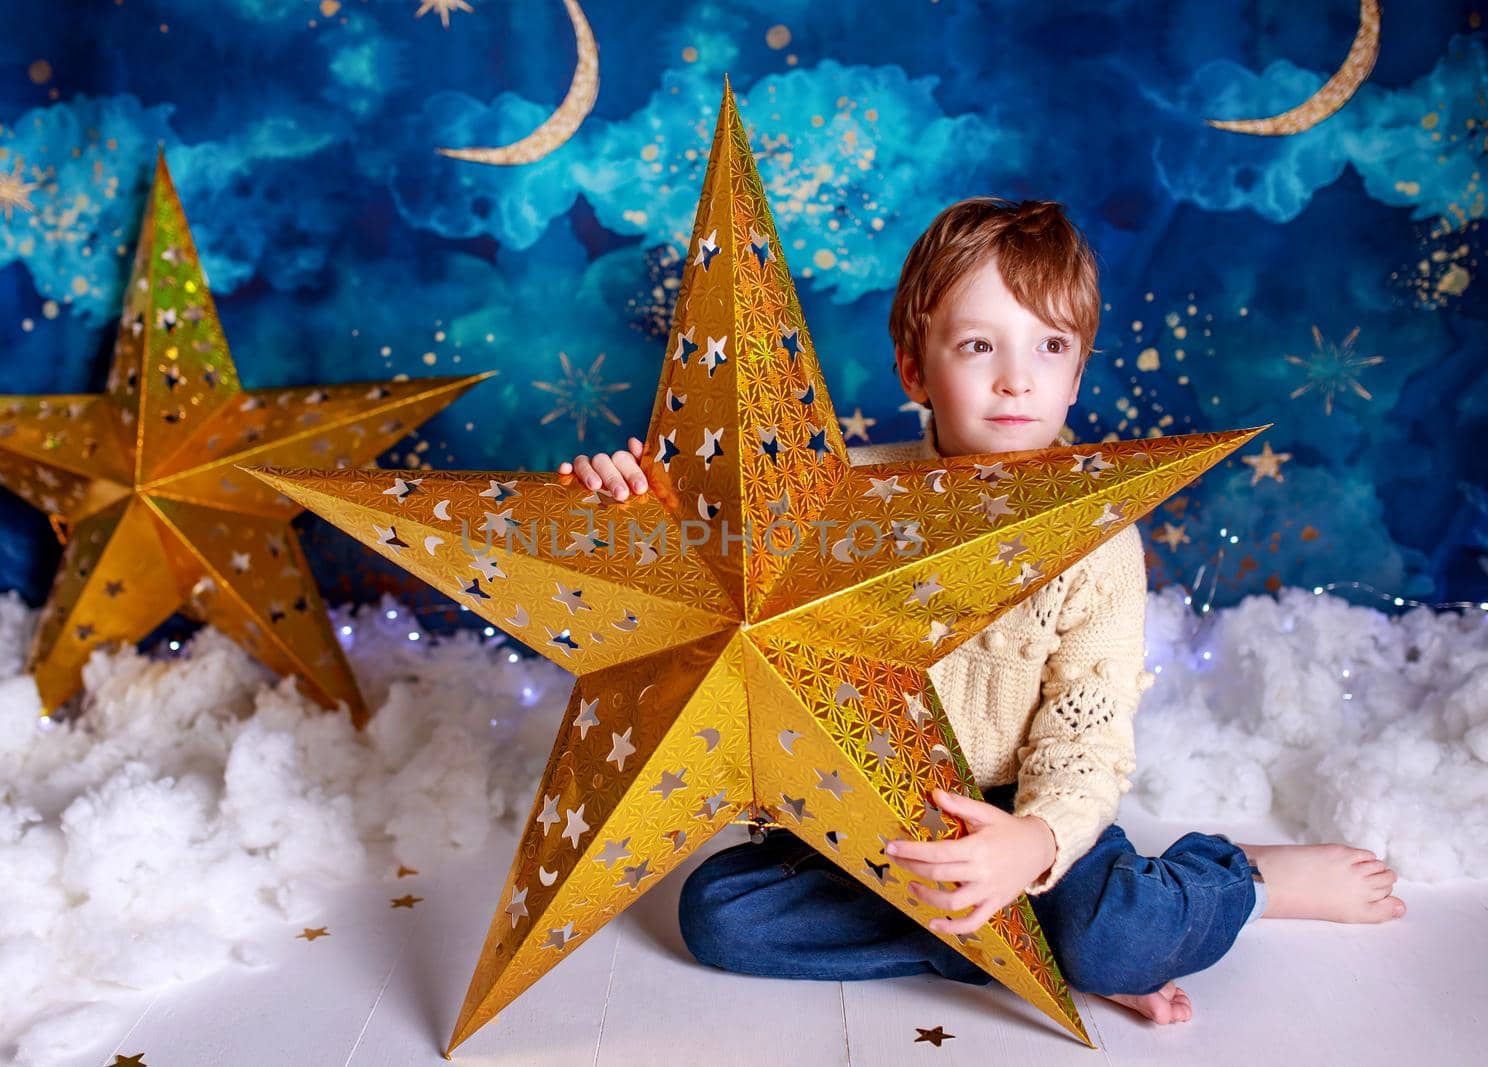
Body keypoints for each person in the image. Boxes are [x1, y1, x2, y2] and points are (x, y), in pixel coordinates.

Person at [557, 197, 1405, 1025]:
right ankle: (1020, 951)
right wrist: (633, 512)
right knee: (719, 914)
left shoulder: (1097, 537)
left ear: (1077, 373)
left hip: (1022, 806)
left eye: (1049, 346)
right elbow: (717, 564)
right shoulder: (838, 494)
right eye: (976, 344)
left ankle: (1241, 878)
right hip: (869, 805)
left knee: (1119, 937)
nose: (1015, 377)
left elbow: (1088, 738)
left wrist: (1033, 843)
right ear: (914, 368)